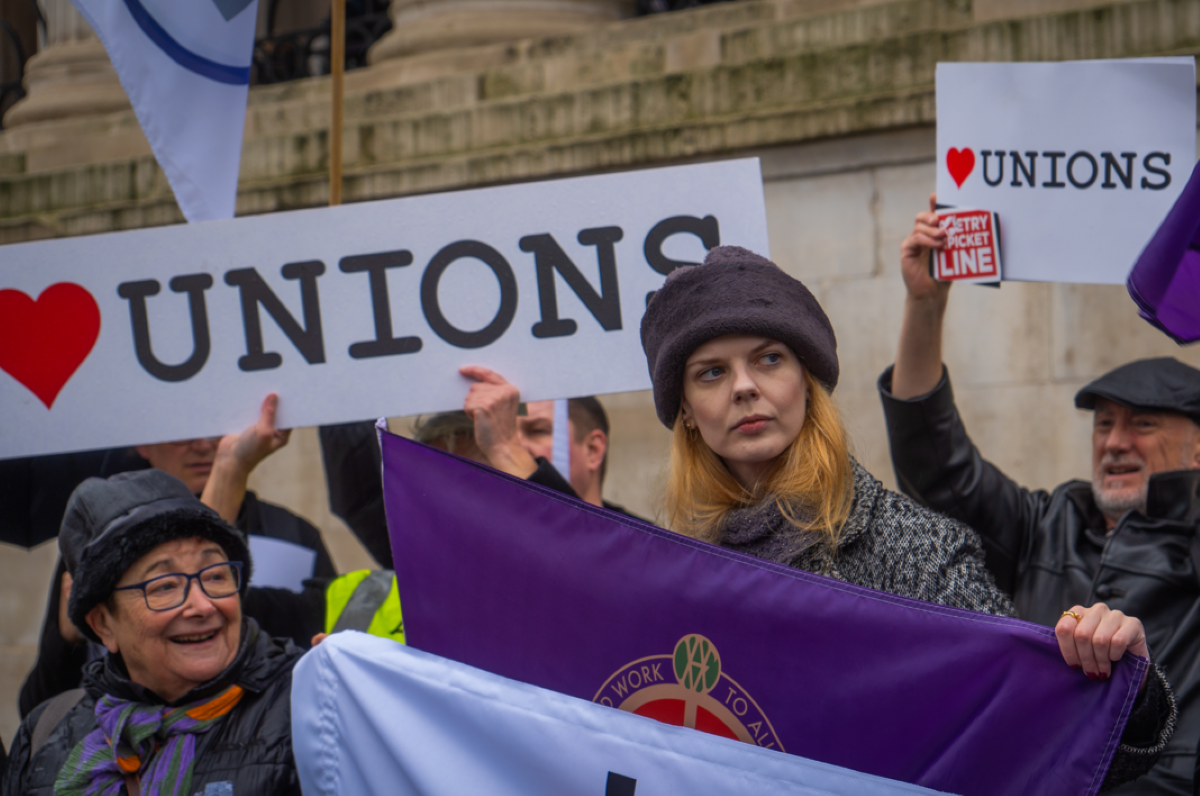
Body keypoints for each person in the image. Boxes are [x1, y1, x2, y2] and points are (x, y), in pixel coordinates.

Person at [639, 244, 1174, 790]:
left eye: (769, 359)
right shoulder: (672, 572)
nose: (744, 386)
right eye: (711, 372)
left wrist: (1128, 684)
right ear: (685, 409)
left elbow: (1029, 733)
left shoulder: (915, 548)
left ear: (807, 379)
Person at [879, 196, 1200, 795]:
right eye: (1103, 425)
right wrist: (924, 304)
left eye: (1143, 424)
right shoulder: (1045, 523)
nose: (1115, 442)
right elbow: (936, 464)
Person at [19, 395, 331, 719]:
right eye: (163, 585)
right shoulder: (95, 545)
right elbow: (38, 708)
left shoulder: (294, 532)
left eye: (216, 576)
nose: (203, 445)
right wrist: (66, 640)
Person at [2, 470, 302, 796]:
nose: (202, 605)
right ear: (103, 624)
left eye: (215, 576)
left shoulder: (306, 709)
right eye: (164, 586)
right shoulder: (47, 733)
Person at [320, 379, 633, 568]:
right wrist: (340, 380)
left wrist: (506, 448)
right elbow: (367, 499)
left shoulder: (643, 552)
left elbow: (585, 560)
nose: (511, 444)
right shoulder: (453, 556)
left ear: (593, 449)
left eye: (537, 430)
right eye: (502, 433)